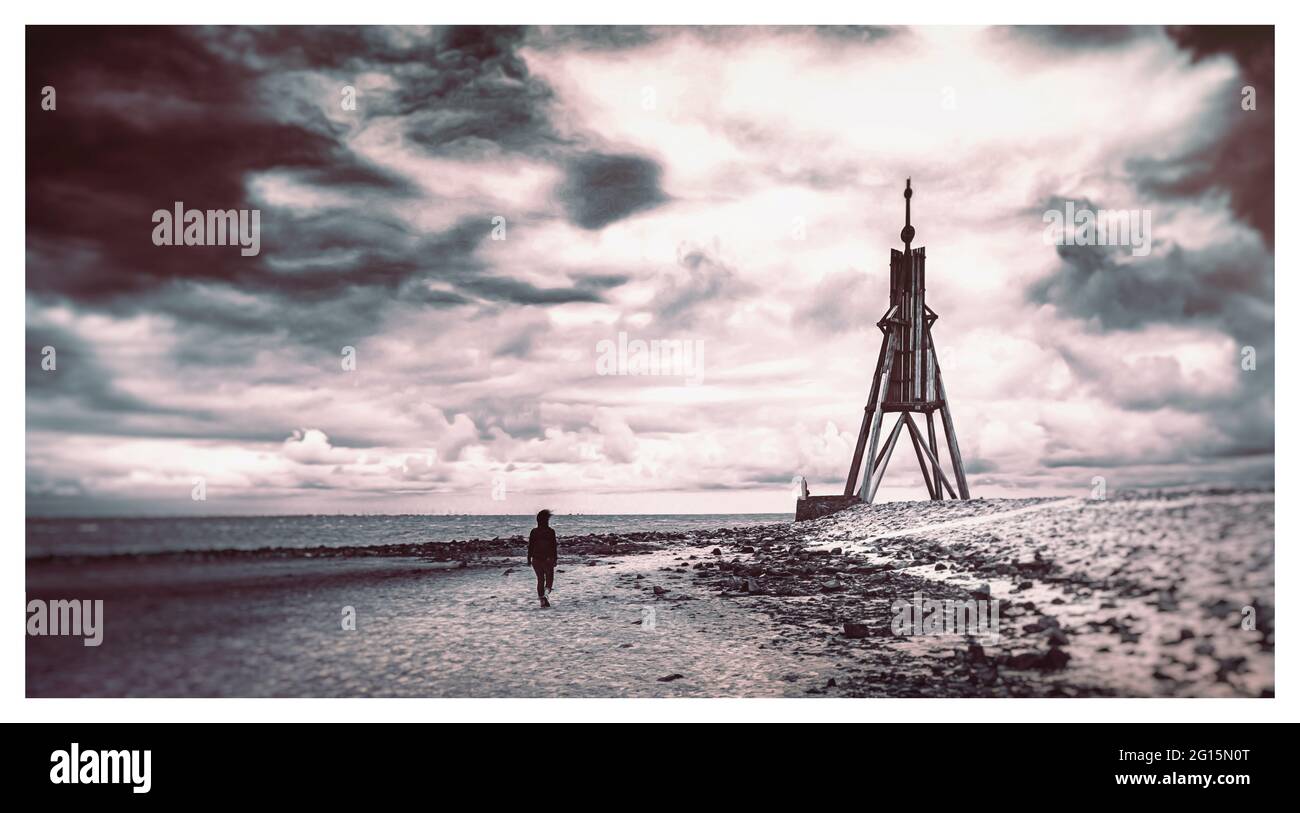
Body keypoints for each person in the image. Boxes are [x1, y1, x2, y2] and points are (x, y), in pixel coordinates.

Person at [527, 509, 558, 608]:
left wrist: (528, 558)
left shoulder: (534, 531)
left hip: (535, 559)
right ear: (546, 521)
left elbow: (530, 546)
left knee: (540, 580)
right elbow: (553, 546)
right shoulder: (550, 531)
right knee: (549, 580)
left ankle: (542, 601)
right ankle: (545, 596)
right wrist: (555, 559)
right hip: (547, 559)